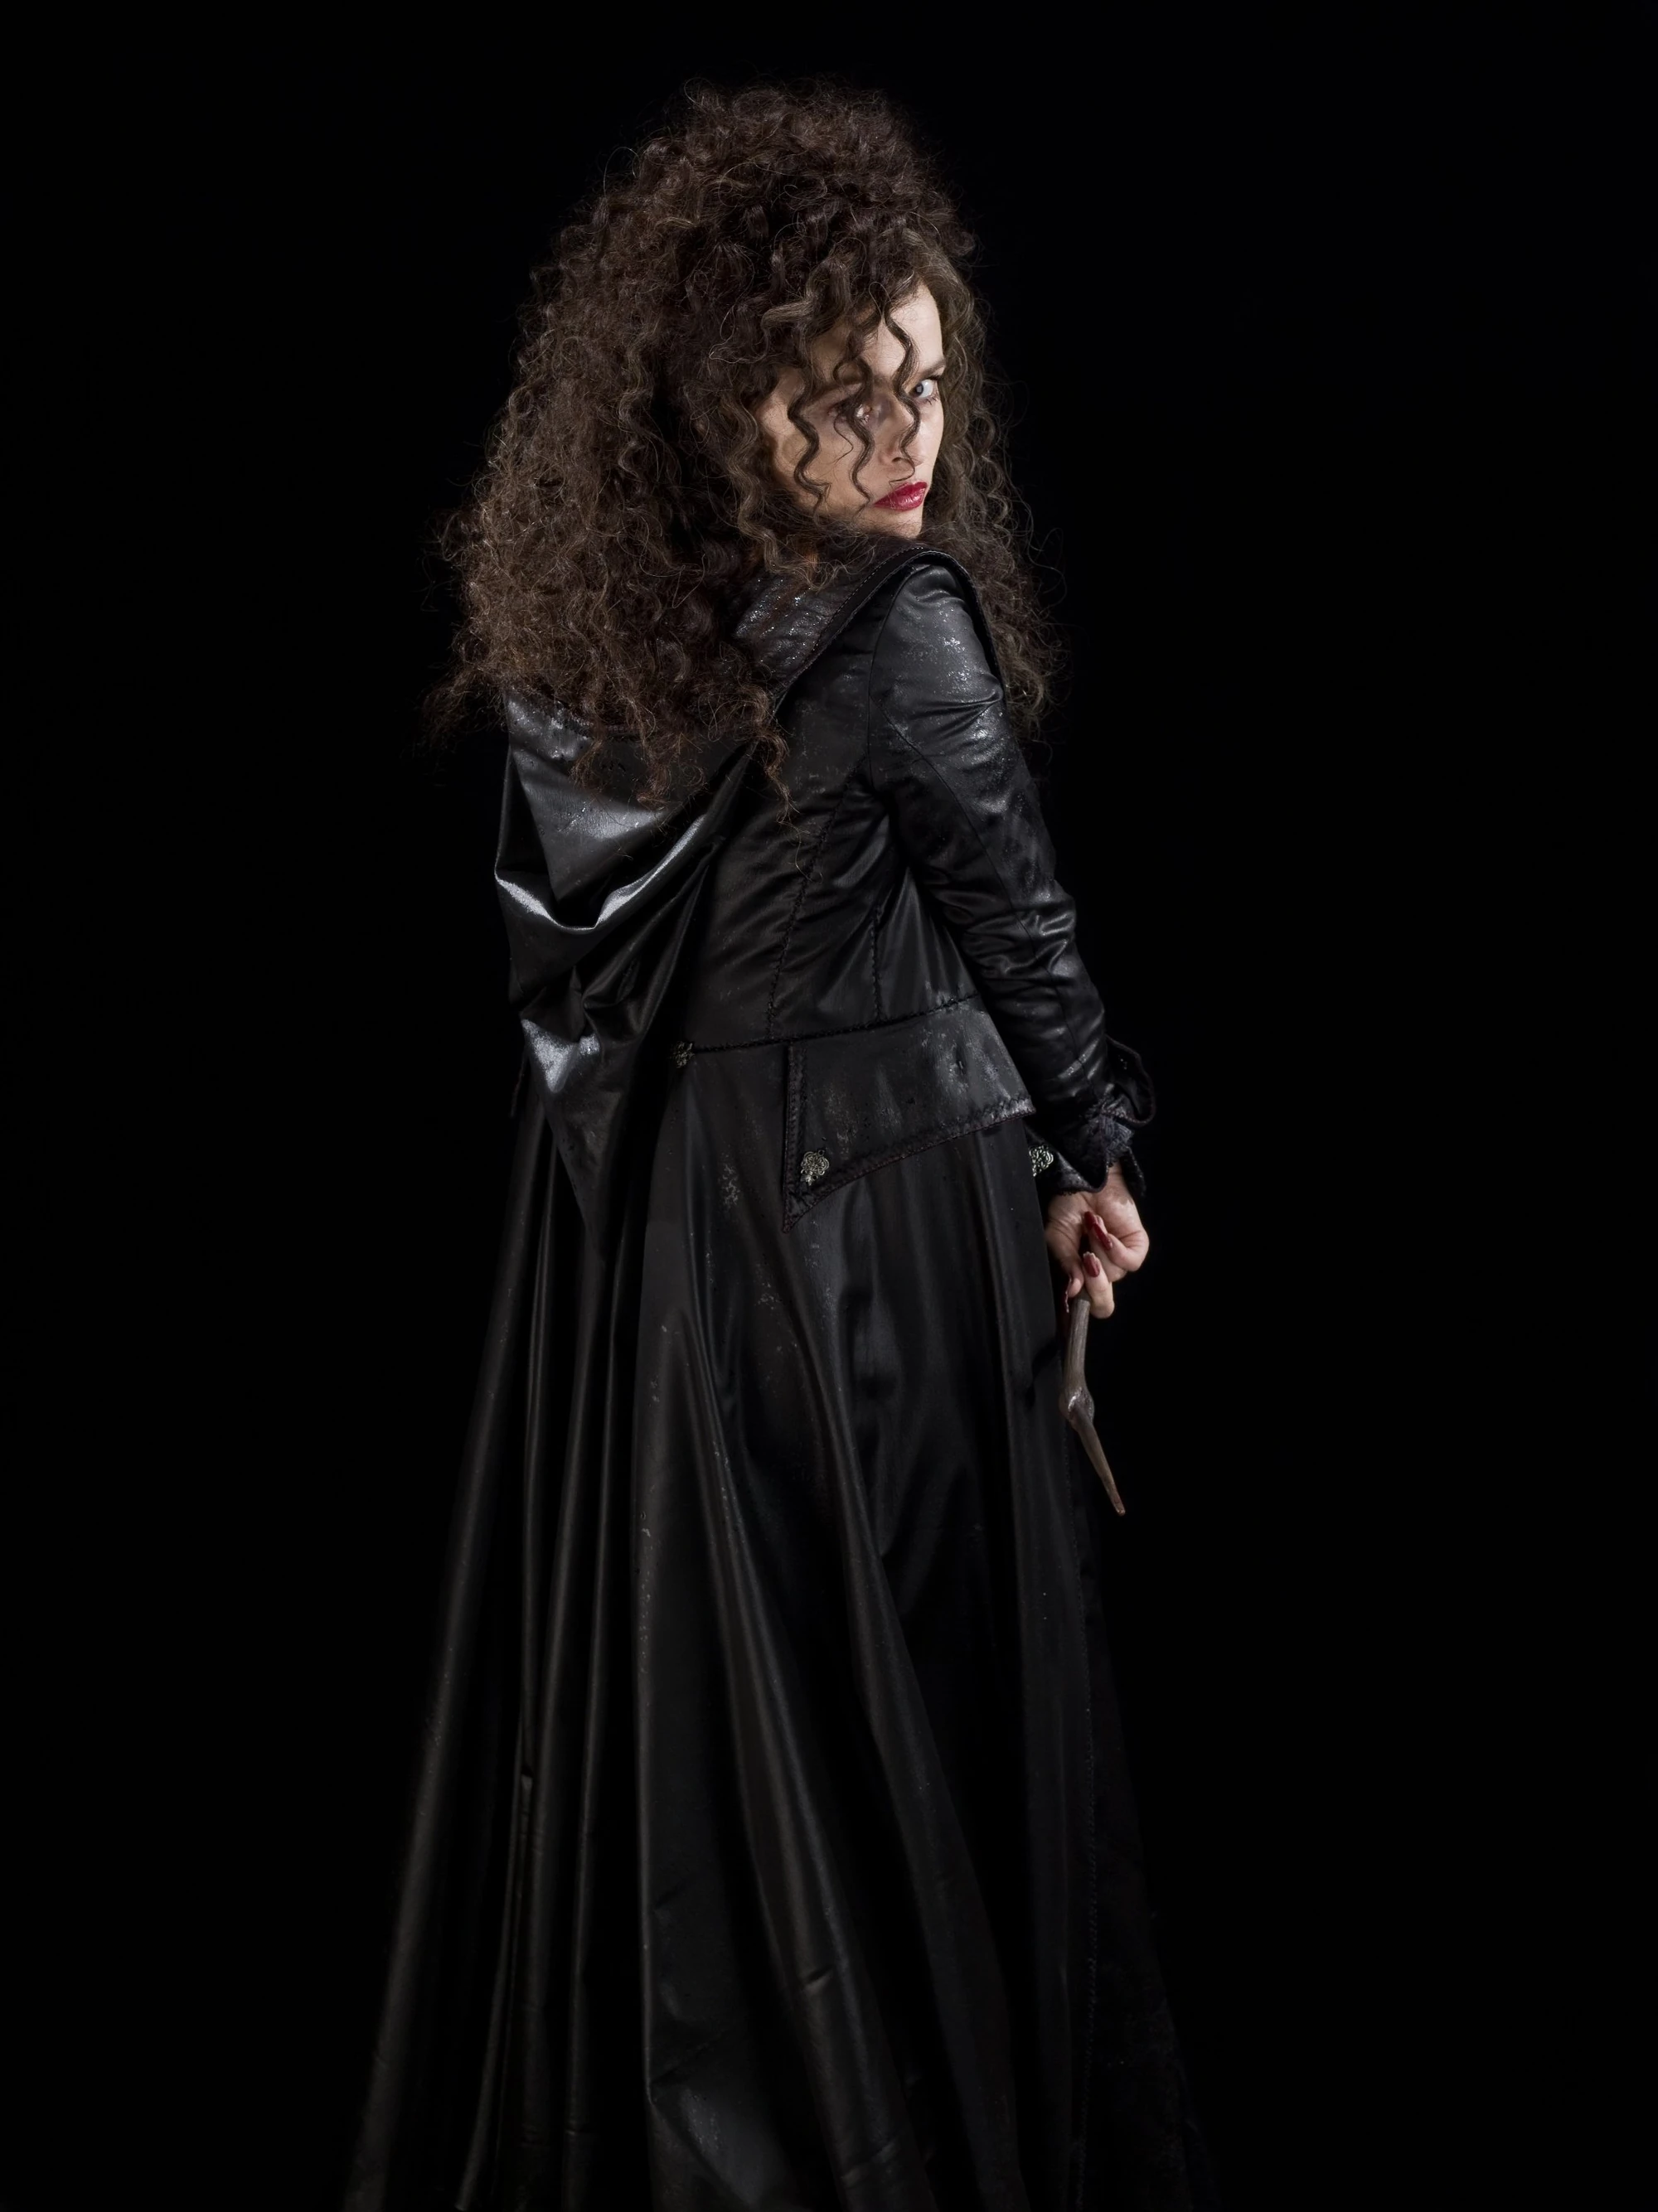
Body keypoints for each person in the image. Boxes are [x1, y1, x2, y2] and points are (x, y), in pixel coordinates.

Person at [347, 81, 1216, 2212]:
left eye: (925, 377)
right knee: (899, 1712)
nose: (905, 437)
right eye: (846, 395)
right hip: (886, 1263)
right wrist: (1094, 1148)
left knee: (745, 1727)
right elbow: (1021, 927)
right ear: (735, 409)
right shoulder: (896, 624)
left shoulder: (599, 644)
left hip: (685, 1262)